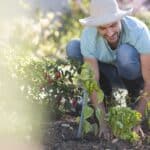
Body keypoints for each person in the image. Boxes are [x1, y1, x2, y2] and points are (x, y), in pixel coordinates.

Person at [66, 0, 150, 139]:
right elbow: (92, 81)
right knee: (73, 47)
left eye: (113, 25)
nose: (110, 32)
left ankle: (133, 98)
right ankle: (106, 99)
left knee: (125, 53)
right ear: (96, 26)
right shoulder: (89, 35)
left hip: (135, 76)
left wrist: (137, 118)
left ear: (119, 18)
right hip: (110, 76)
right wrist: (103, 121)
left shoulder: (138, 31)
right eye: (103, 28)